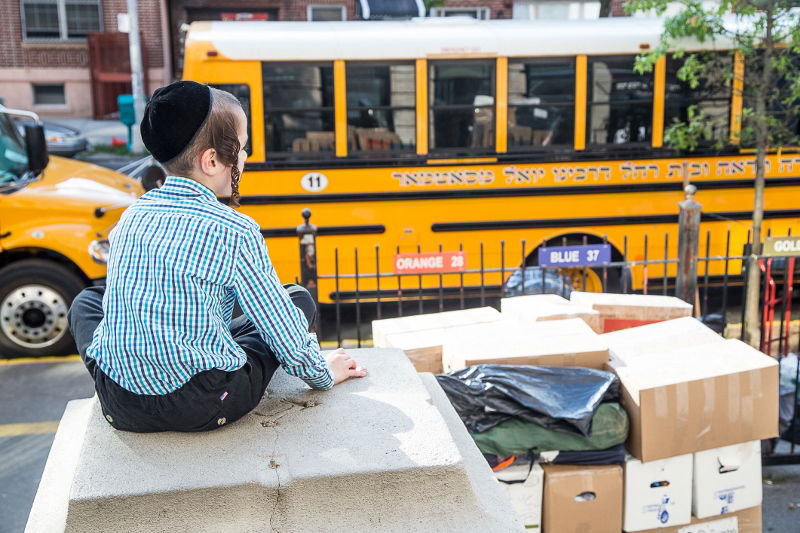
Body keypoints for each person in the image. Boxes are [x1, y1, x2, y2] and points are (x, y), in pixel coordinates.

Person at [68, 81, 366, 433]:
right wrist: (323, 373)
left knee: (87, 300)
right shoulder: (235, 230)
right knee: (296, 300)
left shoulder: (131, 217)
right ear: (211, 160)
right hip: (202, 403)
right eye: (242, 149)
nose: (245, 158)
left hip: (121, 404)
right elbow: (281, 327)